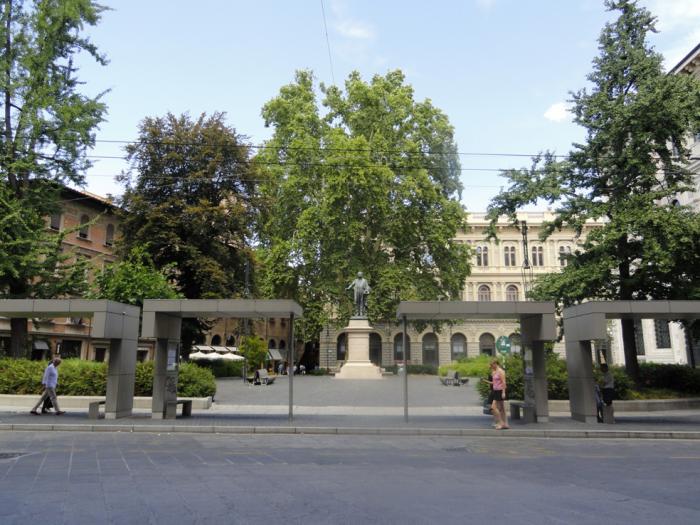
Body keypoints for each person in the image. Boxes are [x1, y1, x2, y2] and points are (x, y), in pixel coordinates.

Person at [489, 360, 509, 429]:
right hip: (495, 391)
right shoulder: (494, 372)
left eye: (492, 365)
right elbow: (494, 382)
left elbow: (504, 382)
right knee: (502, 408)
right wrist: (485, 381)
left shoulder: (501, 371)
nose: (491, 366)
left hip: (500, 391)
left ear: (495, 364)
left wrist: (503, 392)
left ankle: (501, 423)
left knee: (493, 407)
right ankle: (505, 424)